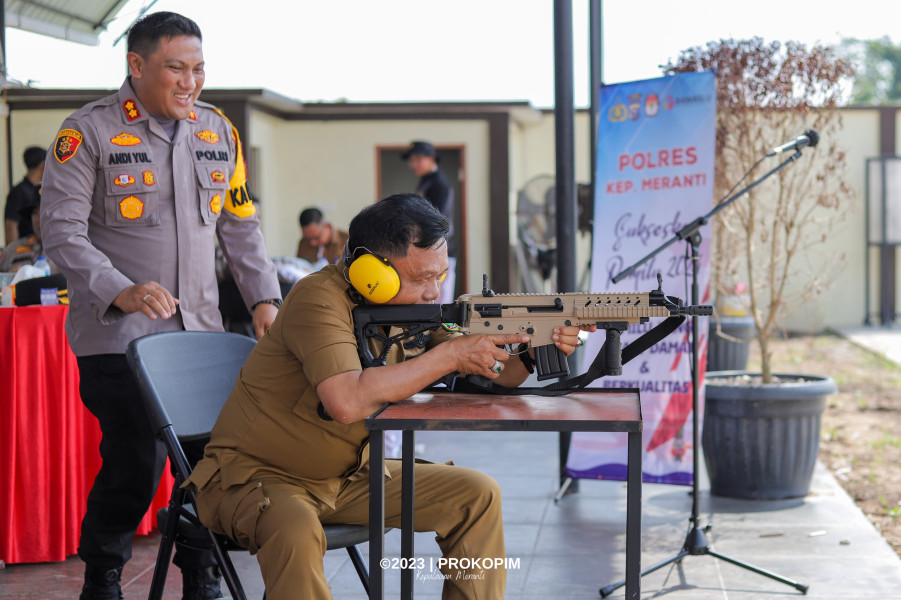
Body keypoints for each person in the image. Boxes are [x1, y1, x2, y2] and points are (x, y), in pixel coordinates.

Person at [186, 194, 593, 599]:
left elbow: (499, 373)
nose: (434, 292)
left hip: (348, 476)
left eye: (439, 276)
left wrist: (535, 346)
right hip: (256, 475)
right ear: (370, 273)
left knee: (477, 495)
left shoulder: (404, 307)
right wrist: (449, 354)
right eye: (421, 279)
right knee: (294, 529)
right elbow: (346, 402)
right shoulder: (316, 299)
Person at [40, 12, 282, 600]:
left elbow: (242, 230)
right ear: (137, 66)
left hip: (199, 336)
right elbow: (61, 232)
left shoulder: (217, 131)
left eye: (198, 69)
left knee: (210, 465)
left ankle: (202, 577)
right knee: (135, 464)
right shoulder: (87, 132)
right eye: (175, 67)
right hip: (120, 340)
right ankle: (103, 575)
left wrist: (266, 300)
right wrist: (119, 287)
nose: (189, 82)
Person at [402, 140, 456, 303]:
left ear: (432, 159)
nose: (413, 164)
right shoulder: (427, 181)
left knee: (440, 302)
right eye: (411, 160)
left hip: (439, 251)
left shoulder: (439, 184)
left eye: (418, 159)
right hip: (431, 250)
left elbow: (438, 223)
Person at [0, 197, 55, 273]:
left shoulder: (67, 247)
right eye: (35, 213)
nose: (40, 218)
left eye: (45, 211)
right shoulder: (13, 249)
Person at [4, 146, 46, 245]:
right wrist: (14, 254)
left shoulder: (39, 190)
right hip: (24, 251)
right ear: (43, 165)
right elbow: (11, 225)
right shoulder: (19, 191)